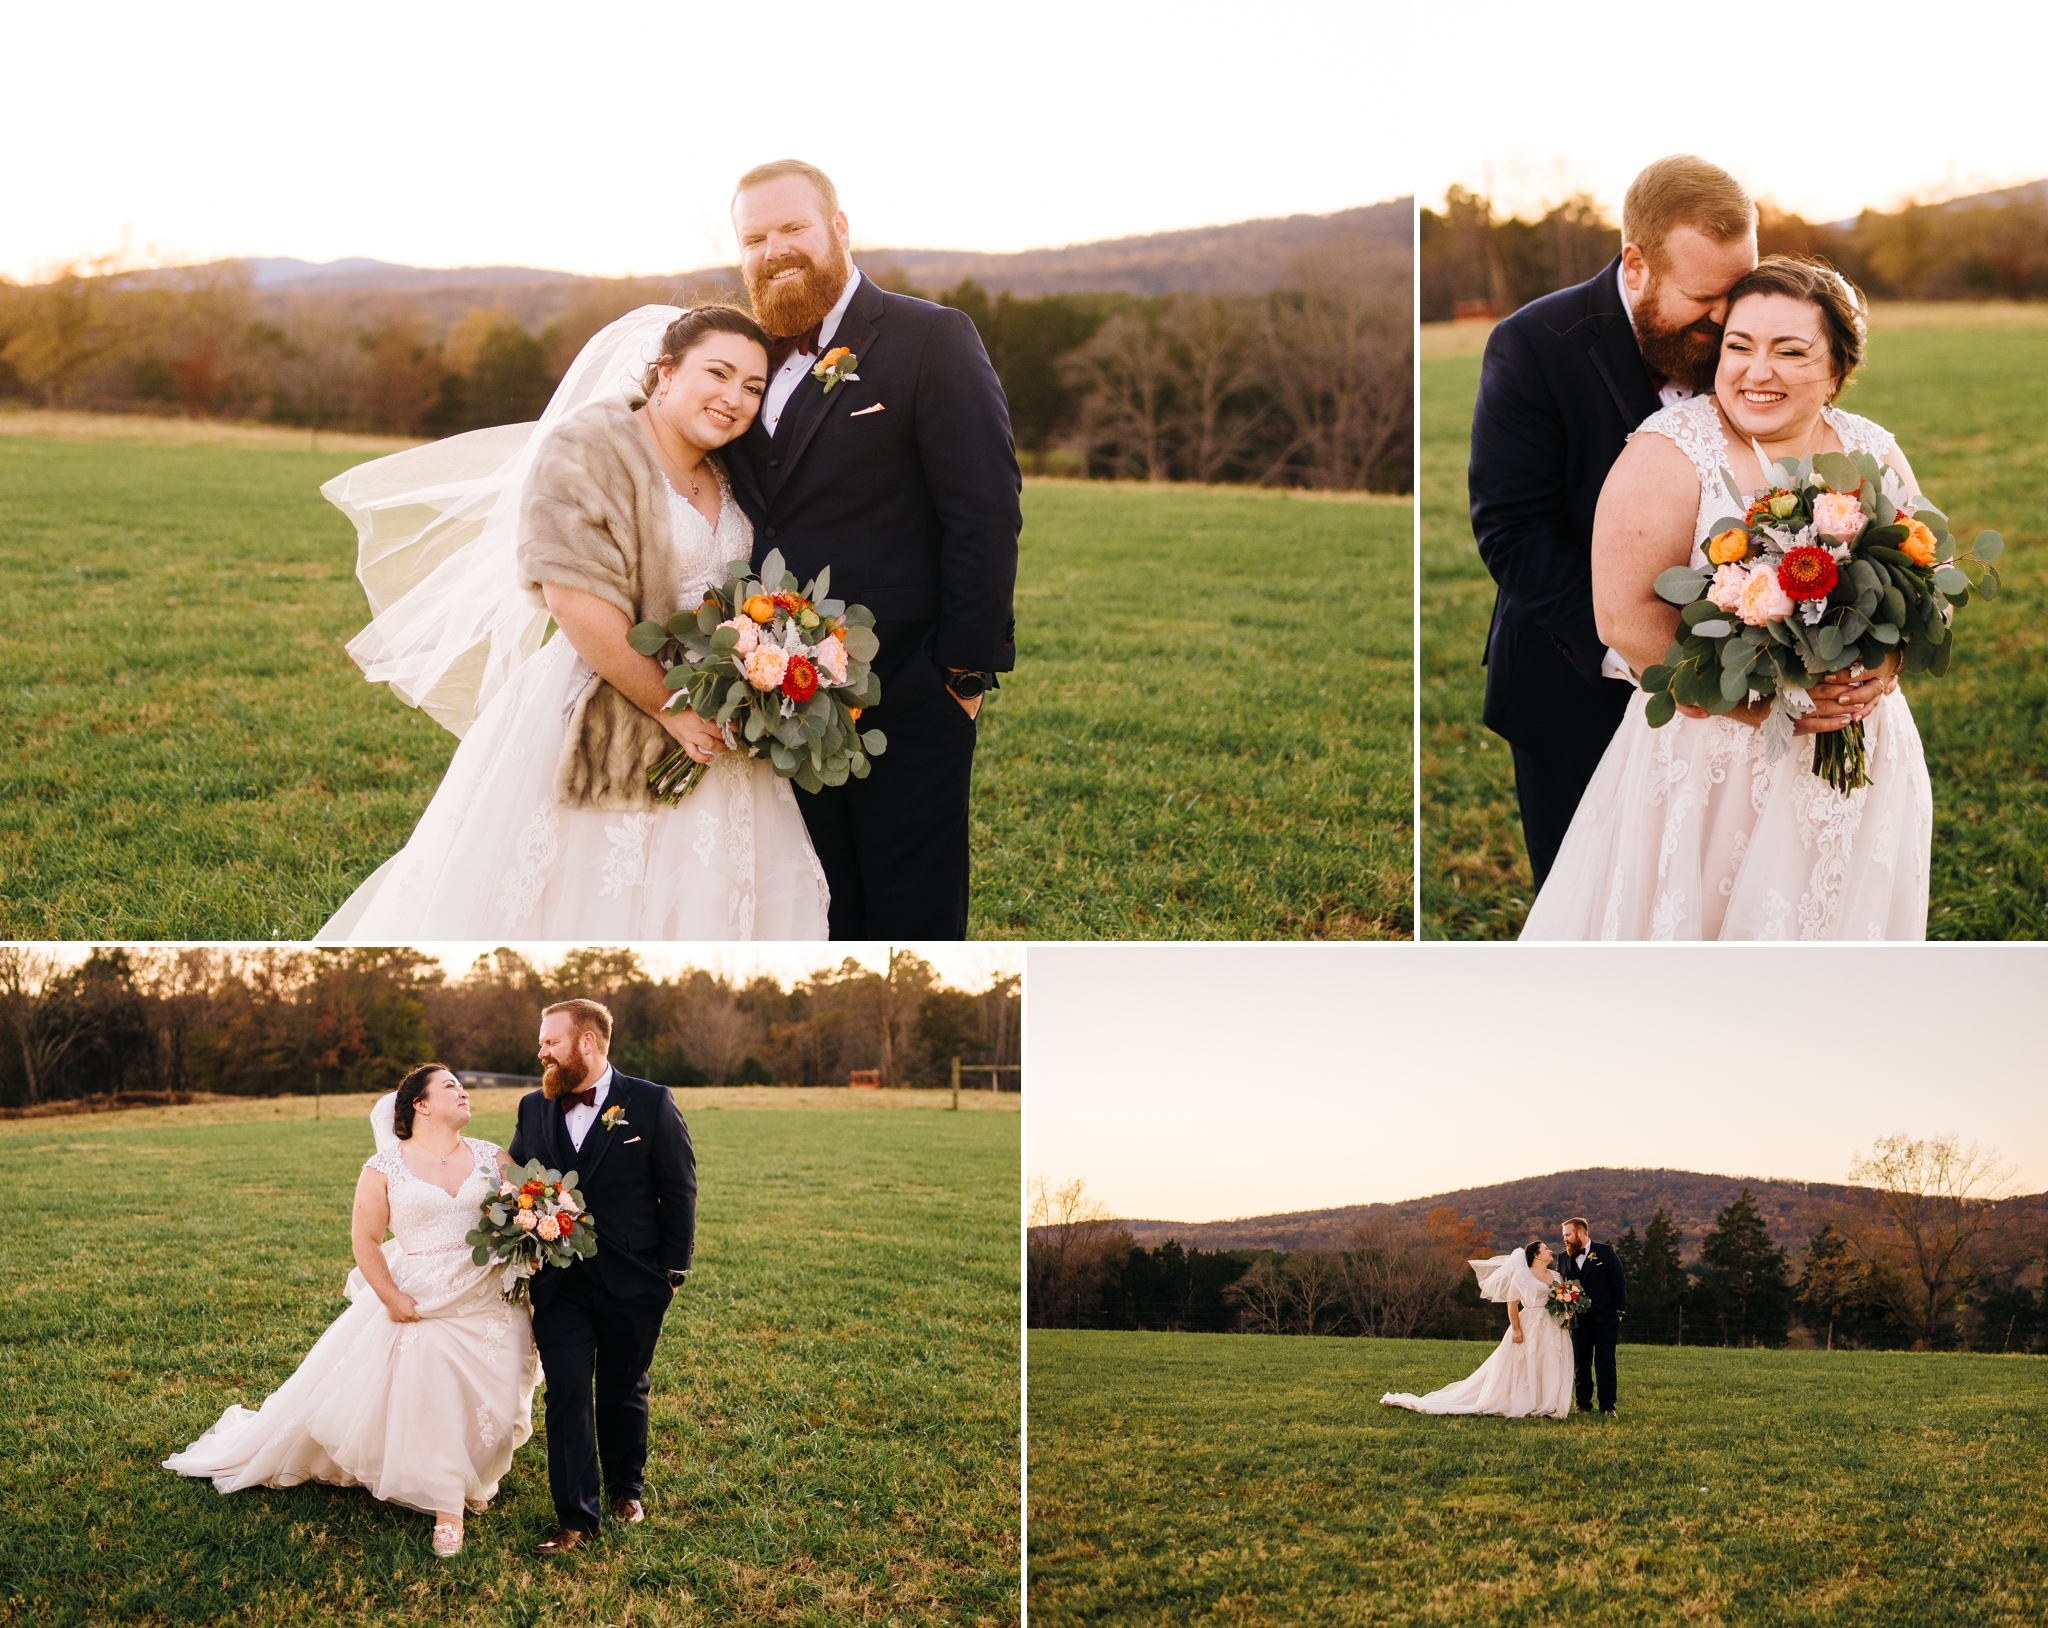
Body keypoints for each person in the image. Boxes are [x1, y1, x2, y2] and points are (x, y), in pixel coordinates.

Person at [318, 305, 830, 941]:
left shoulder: (728, 468)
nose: (734, 398)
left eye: (752, 387)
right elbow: (571, 596)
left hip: (720, 717)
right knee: (591, 892)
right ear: (665, 374)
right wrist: (669, 705)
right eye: (718, 373)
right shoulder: (589, 450)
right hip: (611, 694)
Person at [1469, 154, 1892, 892]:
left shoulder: (1738, 344)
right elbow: (1512, 530)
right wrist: (1647, 654)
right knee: (1602, 910)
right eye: (1706, 296)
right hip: (1576, 688)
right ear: (1637, 265)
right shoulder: (1534, 345)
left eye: (1742, 287)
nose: (1729, 318)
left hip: (1767, 721)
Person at [1521, 256, 1932, 939]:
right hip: (1711, 762)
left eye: (1790, 351)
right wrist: (1764, 703)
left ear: (1836, 369)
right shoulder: (1669, 451)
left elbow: (1920, 582)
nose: (1756, 371)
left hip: (1859, 753)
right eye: (1739, 346)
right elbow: (1622, 617)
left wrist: (1881, 669)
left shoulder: (1872, 449)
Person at [722, 159, 1022, 940]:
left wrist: (961, 676)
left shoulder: (931, 338)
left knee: (910, 917)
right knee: (812, 913)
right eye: (754, 237)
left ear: (840, 229)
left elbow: (984, 512)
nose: (774, 250)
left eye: (792, 228)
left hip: (910, 696)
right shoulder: (741, 361)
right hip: (774, 701)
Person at [165, 1066, 539, 1558]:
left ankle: (464, 1469)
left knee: (496, 1398)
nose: (462, 1091)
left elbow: (524, 1212)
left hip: (489, 1295)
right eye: (449, 1085)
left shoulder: (493, 1156)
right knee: (435, 1387)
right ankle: (448, 1506)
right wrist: (390, 1297)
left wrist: (536, 1233)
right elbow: (365, 1240)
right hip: (420, 1301)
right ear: (420, 1105)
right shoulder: (384, 1168)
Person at [509, 999, 697, 1556]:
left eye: (550, 1042)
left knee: (622, 1388)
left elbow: (679, 1188)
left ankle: (625, 1488)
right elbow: (518, 1181)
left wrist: (673, 1272)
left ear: (586, 1043)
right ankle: (575, 1518)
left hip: (635, 1278)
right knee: (566, 1392)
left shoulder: (651, 1102)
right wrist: (524, 1236)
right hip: (560, 1285)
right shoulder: (531, 1107)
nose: (540, 1051)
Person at [1379, 1242, 1572, 1419]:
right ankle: (1526, 1401)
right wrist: (1515, 1329)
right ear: (1536, 1255)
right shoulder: (1522, 1276)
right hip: (1529, 1323)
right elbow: (1512, 1304)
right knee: (1525, 1362)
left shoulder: (1556, 1276)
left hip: (1553, 1325)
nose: (1550, 1251)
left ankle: (1547, 1403)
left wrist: (1568, 1308)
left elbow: (1560, 1296)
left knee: (1550, 1360)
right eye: (1546, 1249)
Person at [1556, 1218, 1626, 1415]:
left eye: (1568, 1235)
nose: (1565, 1240)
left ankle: (1607, 1406)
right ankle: (1583, 1404)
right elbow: (1560, 1287)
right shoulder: (1562, 1258)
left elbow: (1618, 1281)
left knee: (1605, 1363)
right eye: (1564, 1236)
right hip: (1578, 1320)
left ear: (1580, 1232)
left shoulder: (1605, 1252)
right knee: (1581, 1364)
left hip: (1606, 1318)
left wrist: (1619, 1312)